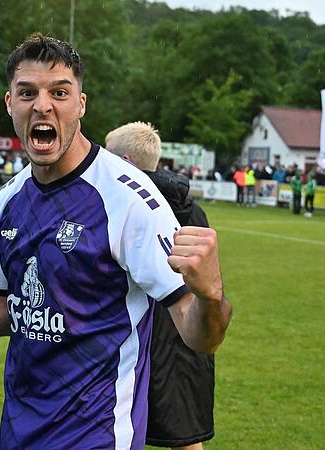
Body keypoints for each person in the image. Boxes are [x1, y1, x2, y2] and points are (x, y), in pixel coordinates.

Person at [0, 34, 232, 449]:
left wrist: (210, 295)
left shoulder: (128, 199)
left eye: (59, 92)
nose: (42, 105)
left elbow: (199, 335)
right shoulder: (9, 199)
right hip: (20, 429)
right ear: (9, 104)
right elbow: (7, 308)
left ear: (81, 104)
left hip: (98, 435)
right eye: (27, 92)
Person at [106, 121, 215, 450]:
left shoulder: (131, 206)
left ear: (124, 162)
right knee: (184, 436)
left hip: (150, 332)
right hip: (184, 336)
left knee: (119, 430)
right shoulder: (191, 208)